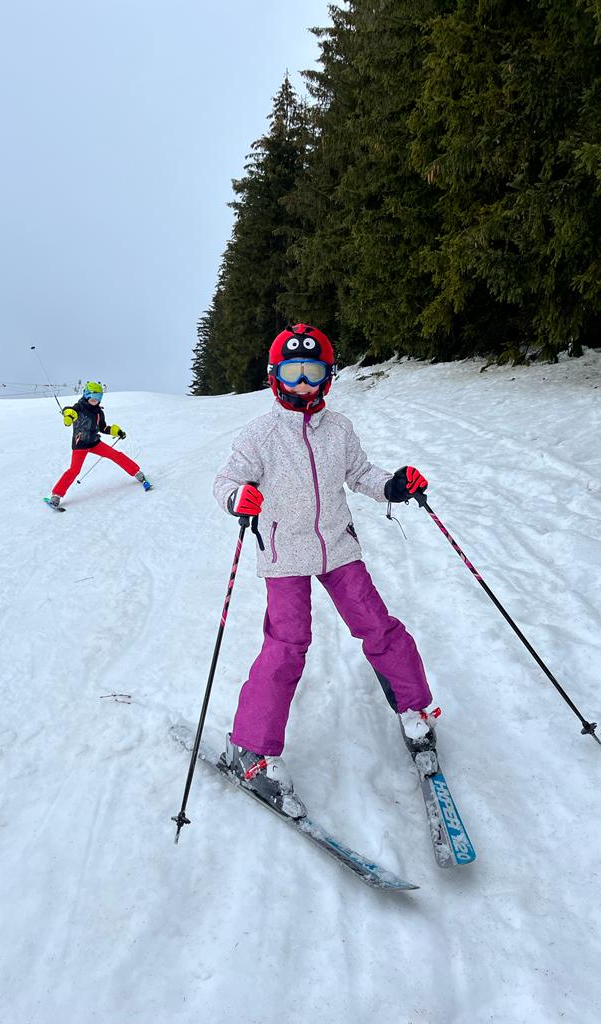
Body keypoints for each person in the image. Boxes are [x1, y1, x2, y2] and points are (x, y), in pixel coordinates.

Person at [213, 324, 436, 816]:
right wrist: (237, 497)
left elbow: (360, 473)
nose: (302, 383)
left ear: (327, 376)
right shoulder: (261, 434)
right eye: (292, 372)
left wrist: (393, 486)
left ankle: (414, 709)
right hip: (284, 555)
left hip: (337, 548)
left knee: (378, 625)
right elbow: (226, 479)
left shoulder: (339, 429)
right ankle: (251, 747)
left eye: (312, 372)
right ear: (275, 376)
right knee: (287, 644)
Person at [47, 381, 151, 506]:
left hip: (95, 443)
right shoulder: (79, 407)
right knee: (74, 470)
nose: (95, 400)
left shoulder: (98, 413)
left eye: (98, 397)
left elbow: (103, 428)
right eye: (93, 396)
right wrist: (68, 416)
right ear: (86, 395)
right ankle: (56, 495)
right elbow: (69, 410)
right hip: (80, 444)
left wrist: (116, 431)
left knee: (116, 455)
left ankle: (137, 472)